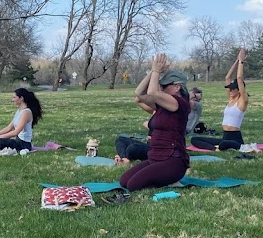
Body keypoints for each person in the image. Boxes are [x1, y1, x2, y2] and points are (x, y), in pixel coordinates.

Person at [105, 54, 190, 202]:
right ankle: (163, 179)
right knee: (124, 181)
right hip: (156, 157)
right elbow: (139, 94)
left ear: (177, 87)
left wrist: (157, 71)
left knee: (133, 185)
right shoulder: (162, 105)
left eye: (164, 86)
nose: (161, 89)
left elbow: (152, 92)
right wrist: (152, 71)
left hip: (172, 161)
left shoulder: (179, 103)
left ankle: (169, 180)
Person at [189, 49, 248, 151]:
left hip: (236, 139)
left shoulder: (242, 101)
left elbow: (239, 78)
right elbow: (227, 77)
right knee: (194, 139)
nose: (229, 90)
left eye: (232, 89)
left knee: (225, 144)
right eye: (229, 88)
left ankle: (220, 147)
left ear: (239, 90)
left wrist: (241, 62)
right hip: (225, 136)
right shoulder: (230, 99)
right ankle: (215, 149)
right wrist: (236, 60)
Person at [0, 87, 43, 154]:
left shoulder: (26, 113)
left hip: (24, 144)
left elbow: (15, 132)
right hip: (18, 140)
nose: (12, 100)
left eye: (14, 97)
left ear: (21, 98)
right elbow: (9, 128)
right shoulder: (19, 111)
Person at [114, 97, 155, 164]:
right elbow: (138, 100)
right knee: (120, 140)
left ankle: (124, 158)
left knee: (132, 148)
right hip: (149, 144)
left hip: (157, 148)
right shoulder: (155, 110)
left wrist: (148, 125)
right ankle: (124, 158)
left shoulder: (170, 113)